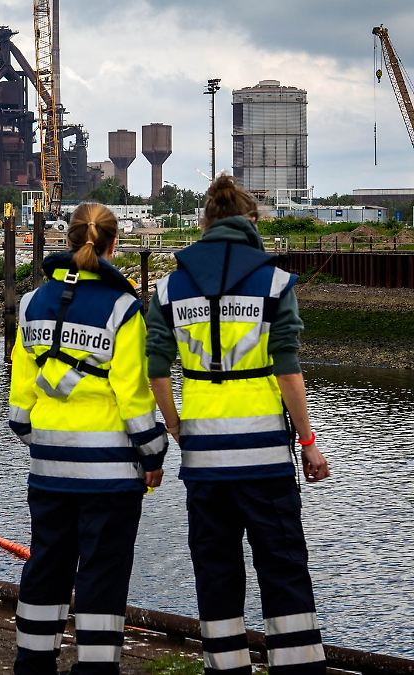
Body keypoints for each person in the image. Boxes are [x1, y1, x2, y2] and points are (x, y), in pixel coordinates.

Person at [146, 176, 330, 674]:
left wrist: (176, 425)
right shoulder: (274, 283)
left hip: (204, 459)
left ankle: (225, 668)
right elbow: (287, 369)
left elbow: (157, 367)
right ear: (249, 222)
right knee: (283, 567)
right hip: (265, 458)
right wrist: (309, 442)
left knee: (216, 571)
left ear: (204, 223)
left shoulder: (169, 287)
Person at [9, 202, 167, 675]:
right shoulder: (123, 308)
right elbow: (134, 398)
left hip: (49, 472)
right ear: (114, 244)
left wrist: (46, 439)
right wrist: (155, 451)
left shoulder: (31, 303)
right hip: (111, 476)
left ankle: (33, 665)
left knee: (46, 568)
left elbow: (19, 407)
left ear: (67, 238)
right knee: (102, 573)